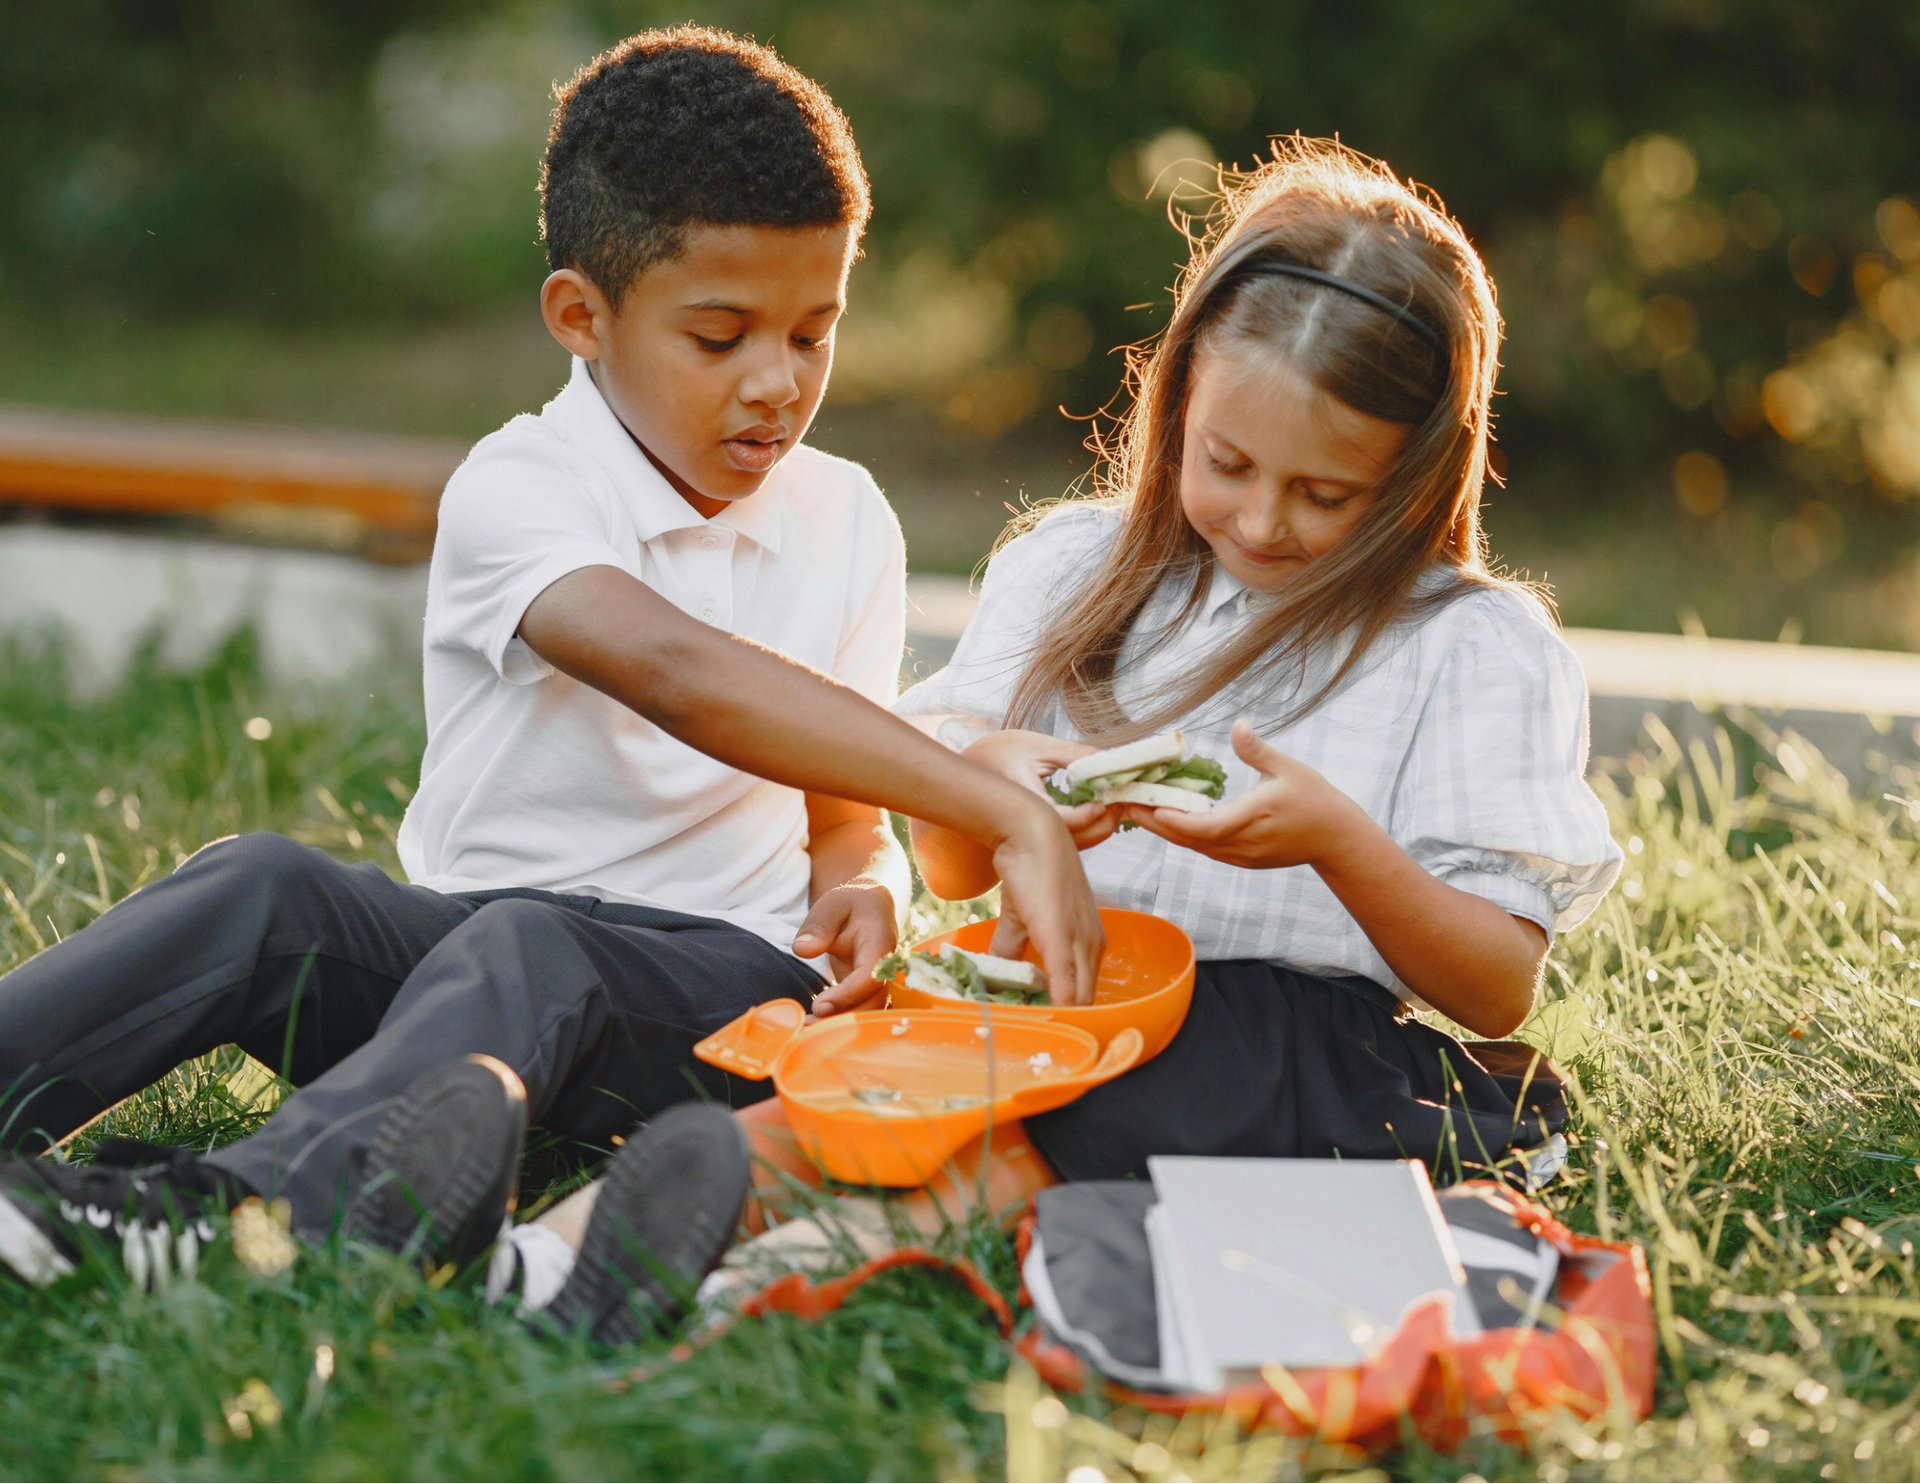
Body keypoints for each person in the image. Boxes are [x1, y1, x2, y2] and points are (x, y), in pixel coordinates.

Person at [372, 135, 1625, 1343]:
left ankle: (748, 1268)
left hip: (1279, 1041)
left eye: (1326, 494)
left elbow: (1494, 983)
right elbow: (954, 867)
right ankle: (545, 1261)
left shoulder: (1465, 644)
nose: (1261, 519)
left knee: (1069, 1114)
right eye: (1228, 462)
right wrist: (992, 786)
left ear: (1419, 474)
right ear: (1178, 401)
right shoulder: (1077, 568)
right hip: (1044, 1007)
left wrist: (1336, 841)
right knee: (862, 1102)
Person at [0, 26, 1104, 1297]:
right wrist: (991, 803)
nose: (777, 382)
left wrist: (869, 880)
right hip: (456, 983)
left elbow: (841, 818)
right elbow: (673, 669)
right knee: (261, 885)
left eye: (814, 333)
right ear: (583, 315)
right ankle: (394, 1158)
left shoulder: (847, 516)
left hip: (725, 999)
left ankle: (226, 1221)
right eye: (721, 336)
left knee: (536, 942)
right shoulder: (519, 487)